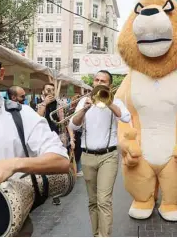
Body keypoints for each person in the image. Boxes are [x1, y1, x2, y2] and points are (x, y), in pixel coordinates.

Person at [0, 39, 70, 236]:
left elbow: (61, 161)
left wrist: (14, 164)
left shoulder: (24, 115)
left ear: (0, 73)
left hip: (15, 222)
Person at [69, 70, 131, 237]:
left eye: (103, 80)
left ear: (109, 85)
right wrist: (84, 109)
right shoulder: (84, 102)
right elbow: (73, 125)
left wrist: (109, 101)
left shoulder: (116, 101)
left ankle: (104, 235)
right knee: (93, 201)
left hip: (108, 156)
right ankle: (96, 234)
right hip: (88, 156)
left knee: (104, 201)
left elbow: (126, 118)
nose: (98, 82)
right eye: (96, 80)